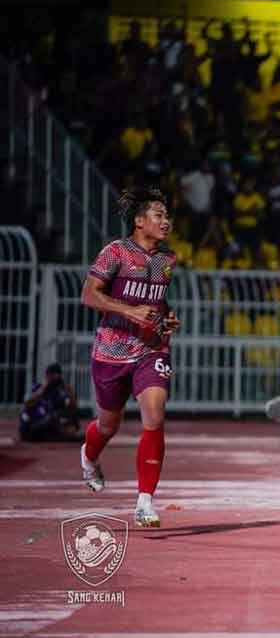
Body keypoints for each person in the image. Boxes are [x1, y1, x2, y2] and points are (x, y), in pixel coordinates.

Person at [79, 187, 180, 528]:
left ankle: (144, 502)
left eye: (167, 216)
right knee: (109, 425)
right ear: (139, 221)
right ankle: (89, 456)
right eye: (158, 216)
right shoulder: (115, 253)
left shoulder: (168, 260)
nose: (165, 222)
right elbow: (89, 296)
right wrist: (130, 311)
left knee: (155, 413)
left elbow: (157, 304)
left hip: (151, 349)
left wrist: (166, 319)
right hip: (111, 350)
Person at [20, 364, 81, 442]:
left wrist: (70, 393)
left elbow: (72, 408)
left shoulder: (61, 391)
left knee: (68, 419)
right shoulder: (38, 387)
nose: (54, 379)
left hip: (51, 423)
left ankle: (61, 434)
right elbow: (27, 403)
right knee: (49, 421)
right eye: (51, 376)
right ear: (47, 376)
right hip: (34, 424)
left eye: (56, 376)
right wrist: (43, 389)